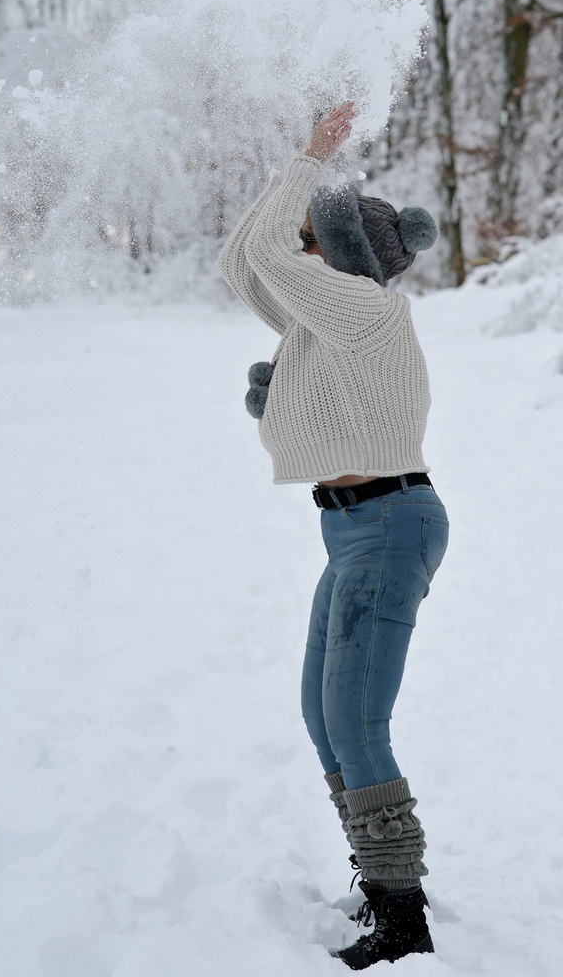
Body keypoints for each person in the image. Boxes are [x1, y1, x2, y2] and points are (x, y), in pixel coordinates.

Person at [218, 103, 449, 970]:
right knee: (326, 720)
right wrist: (298, 183)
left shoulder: (364, 312)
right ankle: (378, 874)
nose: (300, 251)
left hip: (389, 525)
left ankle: (402, 915)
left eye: (314, 238)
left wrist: (313, 158)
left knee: (356, 722)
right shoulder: (324, 324)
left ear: (344, 257)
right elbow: (243, 259)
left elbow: (274, 254)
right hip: (353, 532)